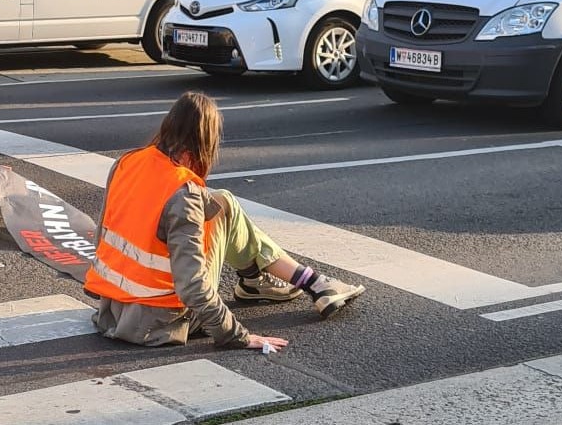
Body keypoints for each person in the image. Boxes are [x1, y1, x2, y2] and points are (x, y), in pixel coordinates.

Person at [85, 92, 366, 350]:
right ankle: (305, 282)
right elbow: (192, 285)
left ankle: (274, 281)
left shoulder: (127, 162)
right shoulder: (183, 195)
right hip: (158, 323)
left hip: (114, 312)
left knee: (220, 201)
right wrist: (238, 336)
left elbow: (102, 237)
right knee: (226, 204)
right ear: (205, 141)